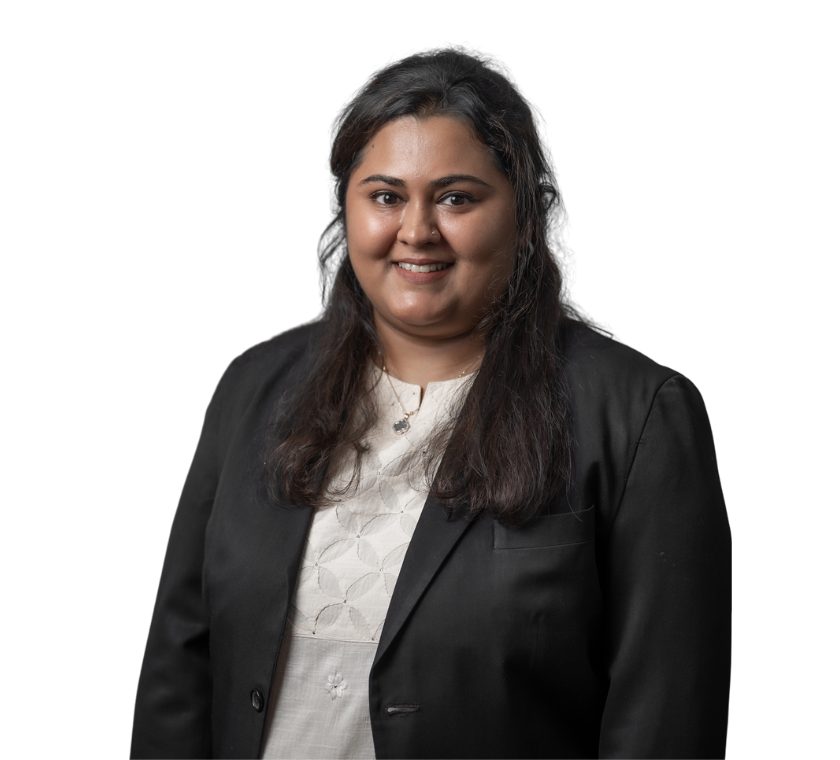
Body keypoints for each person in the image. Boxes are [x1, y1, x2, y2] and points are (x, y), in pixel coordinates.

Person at [130, 44, 731, 759]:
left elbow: (663, 718)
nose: (416, 230)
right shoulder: (253, 385)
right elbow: (179, 664)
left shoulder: (639, 415)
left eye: (456, 198)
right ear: (346, 207)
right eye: (386, 196)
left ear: (523, 212)